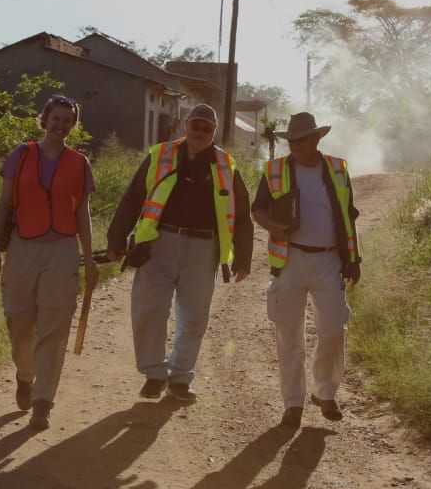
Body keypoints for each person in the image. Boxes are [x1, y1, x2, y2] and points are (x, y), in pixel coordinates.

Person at [105, 103, 253, 403]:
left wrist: (243, 257)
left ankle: (181, 378)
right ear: (186, 125)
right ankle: (154, 374)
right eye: (196, 126)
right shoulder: (160, 155)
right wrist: (116, 239)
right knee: (149, 308)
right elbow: (133, 198)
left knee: (195, 317)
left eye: (206, 129)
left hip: (203, 247)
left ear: (214, 132)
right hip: (159, 243)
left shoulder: (226, 165)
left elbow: (242, 214)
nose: (200, 133)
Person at [0, 95, 97, 431]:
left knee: (55, 324)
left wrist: (89, 259)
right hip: (22, 246)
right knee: (19, 320)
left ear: (73, 126)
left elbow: (82, 213)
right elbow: (4, 205)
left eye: (67, 120)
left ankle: (43, 401)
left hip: (62, 249)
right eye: (56, 118)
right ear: (44, 119)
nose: (61, 125)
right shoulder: (21, 155)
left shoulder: (80, 163)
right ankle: (25, 374)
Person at [251, 112, 360, 428]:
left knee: (333, 330)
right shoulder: (274, 170)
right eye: (291, 140)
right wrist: (272, 226)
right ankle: (293, 403)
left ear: (316, 139)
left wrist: (354, 260)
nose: (295, 145)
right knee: (289, 335)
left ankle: (325, 392)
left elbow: (348, 218)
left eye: (301, 140)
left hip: (329, 261)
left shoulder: (338, 169)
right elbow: (257, 208)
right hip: (290, 260)